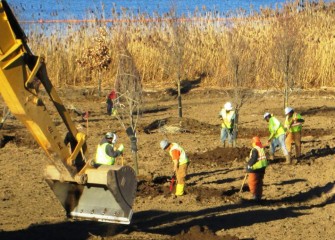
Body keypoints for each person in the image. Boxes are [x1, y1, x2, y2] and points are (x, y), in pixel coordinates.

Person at [246, 136, 268, 201]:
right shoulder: (261, 148)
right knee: (259, 182)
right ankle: (259, 195)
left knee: (252, 182)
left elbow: (254, 158)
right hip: (262, 168)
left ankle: (255, 195)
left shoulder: (255, 149)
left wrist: (249, 164)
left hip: (255, 168)